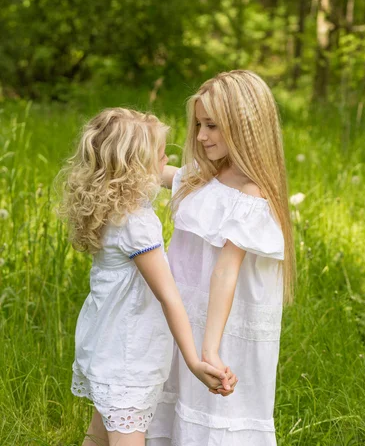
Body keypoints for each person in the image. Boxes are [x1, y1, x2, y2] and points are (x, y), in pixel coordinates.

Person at [59, 108, 234, 446]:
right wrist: (194, 361)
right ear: (136, 170)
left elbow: (168, 173)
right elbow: (168, 295)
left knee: (97, 437)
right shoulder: (136, 223)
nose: (166, 160)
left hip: (105, 345)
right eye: (159, 155)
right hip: (129, 354)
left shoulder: (109, 208)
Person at [147, 70, 296, 446]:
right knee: (174, 399)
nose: (199, 136)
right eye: (199, 124)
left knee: (214, 416)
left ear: (245, 127)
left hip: (219, 326)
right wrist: (117, 168)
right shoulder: (206, 176)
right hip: (183, 316)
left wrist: (209, 350)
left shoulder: (252, 194)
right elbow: (166, 175)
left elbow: (225, 273)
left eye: (211, 125)